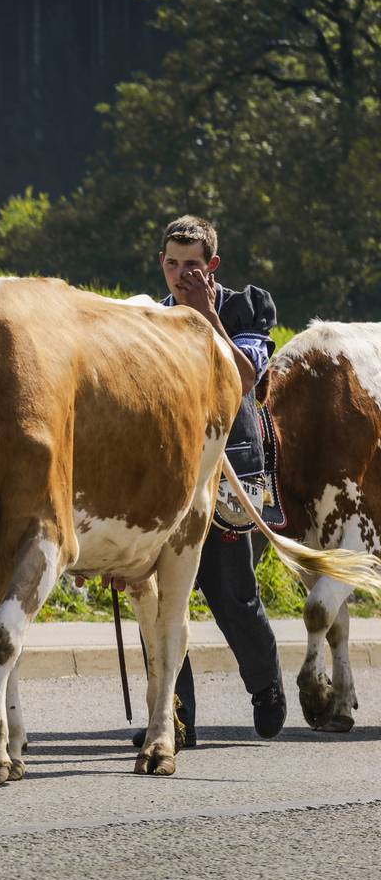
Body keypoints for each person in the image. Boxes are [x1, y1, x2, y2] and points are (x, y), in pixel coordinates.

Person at [134, 215, 286, 748]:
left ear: (212, 266)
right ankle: (175, 718)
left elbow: (247, 377)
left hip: (229, 475)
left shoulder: (244, 306)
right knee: (157, 601)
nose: (181, 275)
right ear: (161, 263)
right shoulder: (150, 317)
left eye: (192, 265)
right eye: (172, 264)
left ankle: (266, 688)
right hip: (169, 476)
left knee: (232, 596)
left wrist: (203, 315)